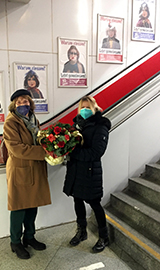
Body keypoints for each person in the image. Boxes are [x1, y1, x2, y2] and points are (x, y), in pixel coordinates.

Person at [3, 89, 51, 259]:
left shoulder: (33, 119)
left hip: (35, 168)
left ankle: (29, 237)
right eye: (19, 102)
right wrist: (43, 152)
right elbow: (16, 149)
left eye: (25, 101)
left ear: (30, 103)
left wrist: (51, 144)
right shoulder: (11, 122)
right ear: (14, 105)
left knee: (33, 204)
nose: (23, 104)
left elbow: (36, 139)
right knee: (19, 207)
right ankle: (15, 242)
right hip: (20, 169)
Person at [63, 96, 111, 253]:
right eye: (82, 107)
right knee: (77, 201)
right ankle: (82, 231)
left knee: (95, 204)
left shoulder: (100, 126)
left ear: (94, 108)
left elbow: (97, 152)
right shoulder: (76, 126)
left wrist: (74, 152)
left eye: (87, 107)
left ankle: (104, 236)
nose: (84, 110)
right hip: (76, 171)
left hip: (90, 172)